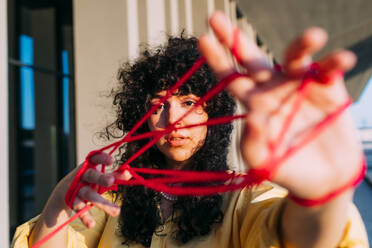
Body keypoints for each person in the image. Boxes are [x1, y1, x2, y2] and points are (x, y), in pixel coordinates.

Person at [12, 11, 368, 248]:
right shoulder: (113, 200)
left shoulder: (242, 200)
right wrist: (57, 203)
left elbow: (294, 237)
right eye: (157, 106)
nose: (173, 120)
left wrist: (322, 198)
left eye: (190, 103)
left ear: (215, 111)